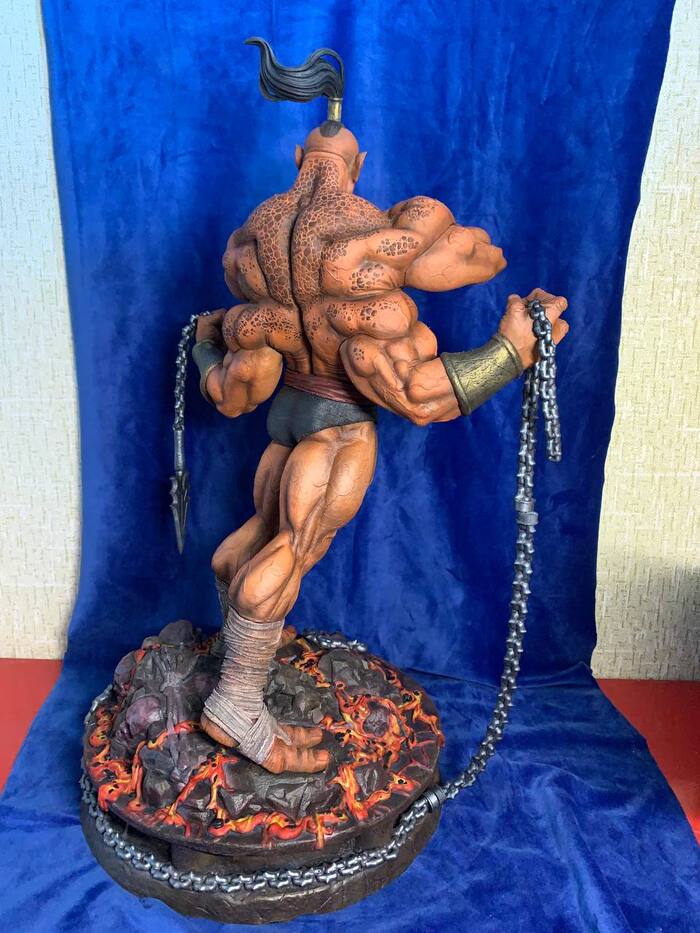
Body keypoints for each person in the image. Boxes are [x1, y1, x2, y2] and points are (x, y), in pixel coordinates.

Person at [191, 40, 569, 774]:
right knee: (293, 546)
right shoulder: (372, 241)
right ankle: (235, 701)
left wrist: (207, 346)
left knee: (250, 544)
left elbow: (226, 388)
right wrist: (510, 350)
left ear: (299, 159)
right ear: (357, 166)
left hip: (283, 423)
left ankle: (243, 648)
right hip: (335, 430)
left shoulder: (252, 239)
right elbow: (421, 396)